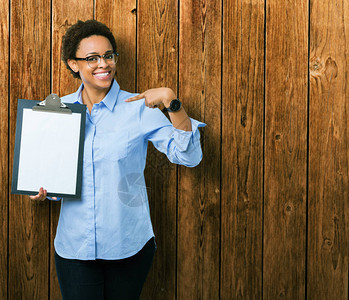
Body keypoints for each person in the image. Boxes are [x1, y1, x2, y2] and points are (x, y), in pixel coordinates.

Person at [30, 19, 205, 299]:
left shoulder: (138, 108)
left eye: (108, 56)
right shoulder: (56, 110)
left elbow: (190, 156)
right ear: (73, 64)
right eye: (92, 58)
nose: (104, 64)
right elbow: (51, 173)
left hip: (128, 247)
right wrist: (44, 190)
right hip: (75, 248)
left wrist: (171, 103)